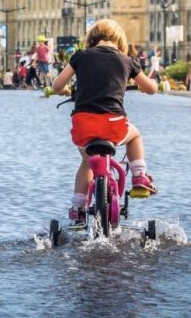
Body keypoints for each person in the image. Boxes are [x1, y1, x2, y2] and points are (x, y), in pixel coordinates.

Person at [47, 19, 159, 226]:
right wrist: (151, 84)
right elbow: (151, 89)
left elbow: (56, 85)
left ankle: (78, 209)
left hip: (83, 128)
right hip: (114, 126)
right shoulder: (128, 61)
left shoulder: (80, 57)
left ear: (92, 39)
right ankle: (139, 177)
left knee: (86, 161)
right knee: (135, 135)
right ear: (120, 41)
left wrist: (63, 90)